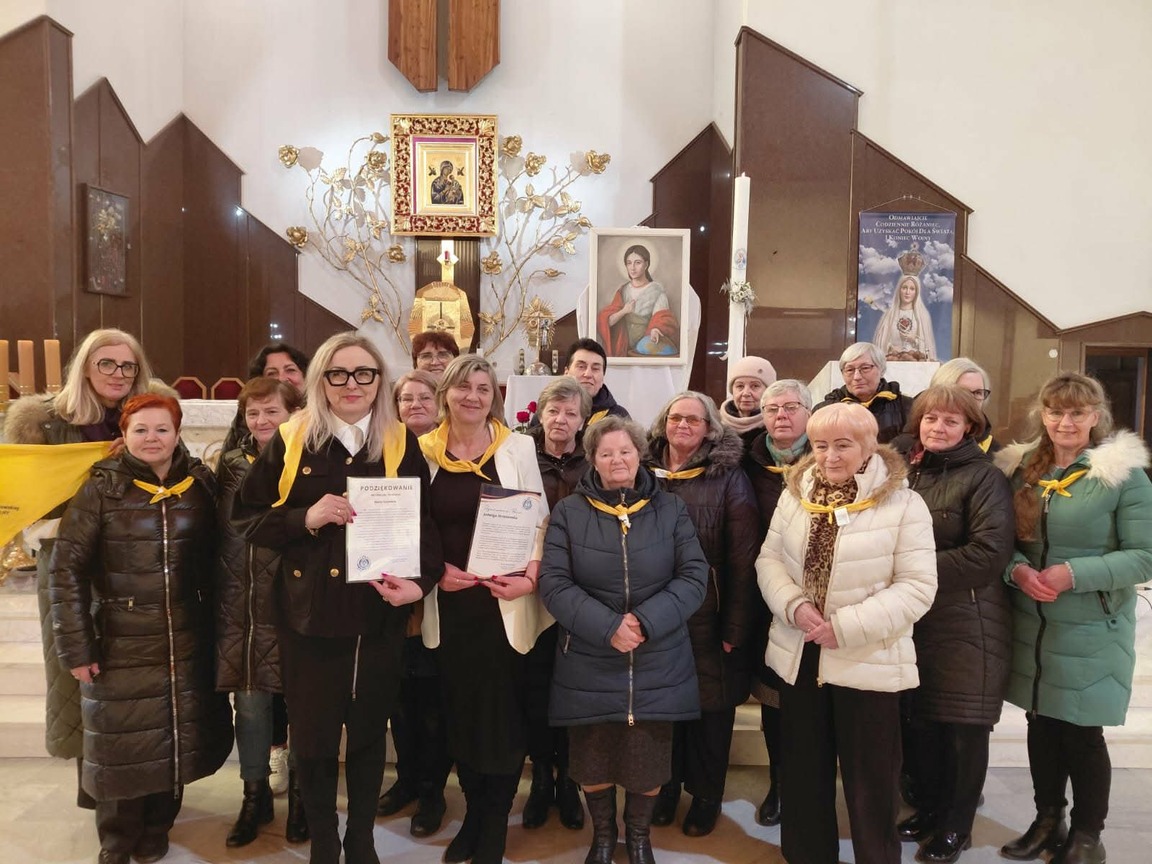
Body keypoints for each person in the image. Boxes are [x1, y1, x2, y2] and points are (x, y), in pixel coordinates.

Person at [234, 331, 444, 864]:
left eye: (364, 374)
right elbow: (245, 518)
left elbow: (425, 526)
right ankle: (326, 843)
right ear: (321, 380)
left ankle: (362, 840)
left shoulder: (399, 441)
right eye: (339, 374)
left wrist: (419, 584)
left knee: (370, 735)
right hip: (309, 616)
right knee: (314, 740)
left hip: (377, 616)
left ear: (379, 381)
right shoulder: (293, 438)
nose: (352, 384)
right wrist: (303, 518)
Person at [49, 393, 233, 864]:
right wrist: (76, 646)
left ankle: (157, 825)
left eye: (162, 429)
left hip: (185, 635)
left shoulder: (199, 485)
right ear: (124, 435)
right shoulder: (101, 489)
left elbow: (223, 557)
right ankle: (116, 835)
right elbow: (66, 570)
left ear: (177, 433)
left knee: (172, 735)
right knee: (121, 742)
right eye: (141, 430)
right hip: (120, 638)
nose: (152, 438)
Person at [756, 402, 937, 864]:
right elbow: (769, 560)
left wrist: (844, 628)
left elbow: (917, 587)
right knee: (803, 772)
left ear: (868, 446)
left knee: (871, 780)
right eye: (820, 446)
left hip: (867, 659)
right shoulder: (795, 495)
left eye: (843, 445)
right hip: (801, 653)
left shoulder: (904, 503)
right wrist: (794, 606)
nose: (830, 456)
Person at [994, 372, 1152, 864]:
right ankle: (1047, 821)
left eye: (1077, 412)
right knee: (1041, 724)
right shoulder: (1022, 468)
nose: (1066, 421)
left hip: (1092, 623)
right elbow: (1000, 541)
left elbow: (1145, 555)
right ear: (1042, 414)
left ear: (1095, 416)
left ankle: (1087, 834)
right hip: (1033, 621)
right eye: (1056, 411)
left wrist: (1074, 574)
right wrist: (1017, 571)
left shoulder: (1122, 474)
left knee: (1082, 733)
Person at [539, 415, 709, 864]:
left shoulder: (670, 509)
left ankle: (638, 838)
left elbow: (694, 577)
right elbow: (554, 583)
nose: (617, 459)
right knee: (592, 759)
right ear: (593, 460)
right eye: (606, 453)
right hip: (589, 656)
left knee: (646, 762)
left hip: (657, 655)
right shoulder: (569, 512)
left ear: (639, 455)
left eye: (625, 451)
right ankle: (602, 836)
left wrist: (645, 622)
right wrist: (607, 626)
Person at [4, 328, 155, 814]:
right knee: (79, 673)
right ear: (85, 367)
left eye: (128, 365)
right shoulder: (44, 423)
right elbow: (29, 498)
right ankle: (95, 788)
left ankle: (144, 787)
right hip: (68, 566)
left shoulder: (150, 415)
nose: (118, 374)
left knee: (134, 678)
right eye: (106, 363)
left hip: (135, 565)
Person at [418, 354, 551, 864]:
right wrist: (435, 571)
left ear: (494, 396)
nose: (473, 396)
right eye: (463, 387)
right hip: (451, 607)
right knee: (461, 718)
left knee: (501, 721)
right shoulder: (423, 450)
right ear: (445, 393)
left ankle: (492, 825)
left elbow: (539, 519)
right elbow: (412, 524)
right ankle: (474, 815)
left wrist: (530, 578)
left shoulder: (516, 447)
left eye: (483, 388)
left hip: (503, 604)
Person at [889, 386, 1016, 863]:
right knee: (923, 723)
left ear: (970, 428)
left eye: (950, 421)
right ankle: (930, 808)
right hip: (917, 619)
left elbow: (988, 554)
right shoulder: (907, 472)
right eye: (930, 419)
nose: (938, 428)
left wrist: (909, 570)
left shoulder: (984, 477)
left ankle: (957, 826)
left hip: (969, 619)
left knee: (963, 727)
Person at [646, 392, 760, 837]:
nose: (683, 426)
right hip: (653, 611)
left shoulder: (729, 476)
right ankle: (665, 789)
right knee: (662, 708)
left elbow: (744, 557)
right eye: (676, 417)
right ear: (664, 422)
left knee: (711, 710)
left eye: (694, 420)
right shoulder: (642, 468)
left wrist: (735, 625)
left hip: (707, 613)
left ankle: (706, 796)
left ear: (710, 428)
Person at [215, 377, 306, 848]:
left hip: (295, 596)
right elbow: (220, 529)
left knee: (302, 702)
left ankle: (304, 797)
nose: (261, 420)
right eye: (253, 413)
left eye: (272, 411)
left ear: (294, 413)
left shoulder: (310, 458)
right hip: (244, 599)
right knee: (250, 705)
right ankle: (255, 796)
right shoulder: (231, 462)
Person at [375, 367, 451, 837]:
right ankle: (406, 778)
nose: (416, 405)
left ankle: (433, 790)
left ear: (439, 404)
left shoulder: (450, 453)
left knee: (433, 701)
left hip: (441, 593)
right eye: (407, 399)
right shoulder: (384, 451)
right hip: (392, 594)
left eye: (425, 397)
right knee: (398, 698)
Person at [741, 379, 814, 828]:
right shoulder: (745, 460)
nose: (781, 415)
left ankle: (810, 783)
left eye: (791, 407)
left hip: (819, 599)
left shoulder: (827, 456)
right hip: (762, 595)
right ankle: (781, 784)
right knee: (773, 698)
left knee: (811, 699)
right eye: (772, 409)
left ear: (809, 412)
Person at [521, 377, 593, 831]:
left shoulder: (595, 462)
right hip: (529, 592)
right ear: (540, 415)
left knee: (573, 691)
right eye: (554, 411)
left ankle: (569, 780)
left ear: (583, 421)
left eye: (571, 413)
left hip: (581, 595)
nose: (561, 420)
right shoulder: (520, 457)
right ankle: (541, 778)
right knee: (535, 689)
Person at [221, 341, 310, 462]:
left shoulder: (320, 411)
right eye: (272, 373)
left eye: (290, 370)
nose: (282, 378)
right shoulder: (249, 415)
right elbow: (230, 458)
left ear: (305, 375)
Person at [815, 341, 913, 444]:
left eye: (865, 368)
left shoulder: (906, 406)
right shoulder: (825, 410)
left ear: (881, 370)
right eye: (850, 370)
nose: (857, 377)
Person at [597, 244, 678, 357]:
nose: (632, 267)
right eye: (629, 263)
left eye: (637, 262)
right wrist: (624, 311)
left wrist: (655, 329)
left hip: (647, 340)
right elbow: (607, 321)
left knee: (656, 348)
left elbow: (662, 317)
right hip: (624, 342)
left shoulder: (656, 290)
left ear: (646, 265)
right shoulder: (623, 290)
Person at [930, 357, 997, 452]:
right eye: (963, 392)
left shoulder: (994, 454)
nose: (971, 400)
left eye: (978, 393)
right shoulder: (911, 447)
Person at [564, 338, 630, 423]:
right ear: (566, 372)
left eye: (595, 368)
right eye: (581, 367)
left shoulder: (618, 417)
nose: (588, 374)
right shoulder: (551, 409)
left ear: (603, 378)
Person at [873, 274, 937, 361]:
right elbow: (881, 342)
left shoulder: (922, 316)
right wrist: (891, 347)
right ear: (899, 290)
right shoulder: (889, 315)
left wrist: (914, 339)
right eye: (904, 288)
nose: (907, 292)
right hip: (893, 362)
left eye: (912, 289)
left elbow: (927, 346)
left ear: (917, 292)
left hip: (915, 363)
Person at [718, 355, 777, 446]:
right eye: (740, 386)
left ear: (768, 391)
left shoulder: (779, 426)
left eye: (755, 386)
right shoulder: (714, 427)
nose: (746, 393)